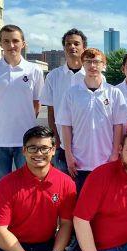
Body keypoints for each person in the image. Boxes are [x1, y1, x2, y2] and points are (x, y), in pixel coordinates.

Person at [56, 48, 127, 193]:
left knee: (106, 208)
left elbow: (118, 126)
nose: (92, 66)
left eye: (96, 61)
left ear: (104, 65)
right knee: (79, 207)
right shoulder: (71, 93)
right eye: (88, 61)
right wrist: (69, 154)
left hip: (106, 161)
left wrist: (115, 154)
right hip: (79, 163)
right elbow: (66, 126)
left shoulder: (114, 93)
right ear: (82, 64)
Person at [0, 24, 44, 189]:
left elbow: (37, 104)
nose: (11, 45)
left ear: (23, 43)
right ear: (0, 44)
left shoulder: (34, 70)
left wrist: (23, 121)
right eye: (6, 41)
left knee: (28, 187)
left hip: (26, 140)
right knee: (0, 189)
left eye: (15, 41)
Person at [41, 28, 88, 174]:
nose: (72, 47)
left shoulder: (94, 77)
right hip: (61, 146)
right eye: (68, 44)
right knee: (62, 189)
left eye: (76, 43)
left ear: (83, 48)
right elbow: (51, 113)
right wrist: (57, 141)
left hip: (87, 144)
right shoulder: (53, 77)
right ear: (64, 48)